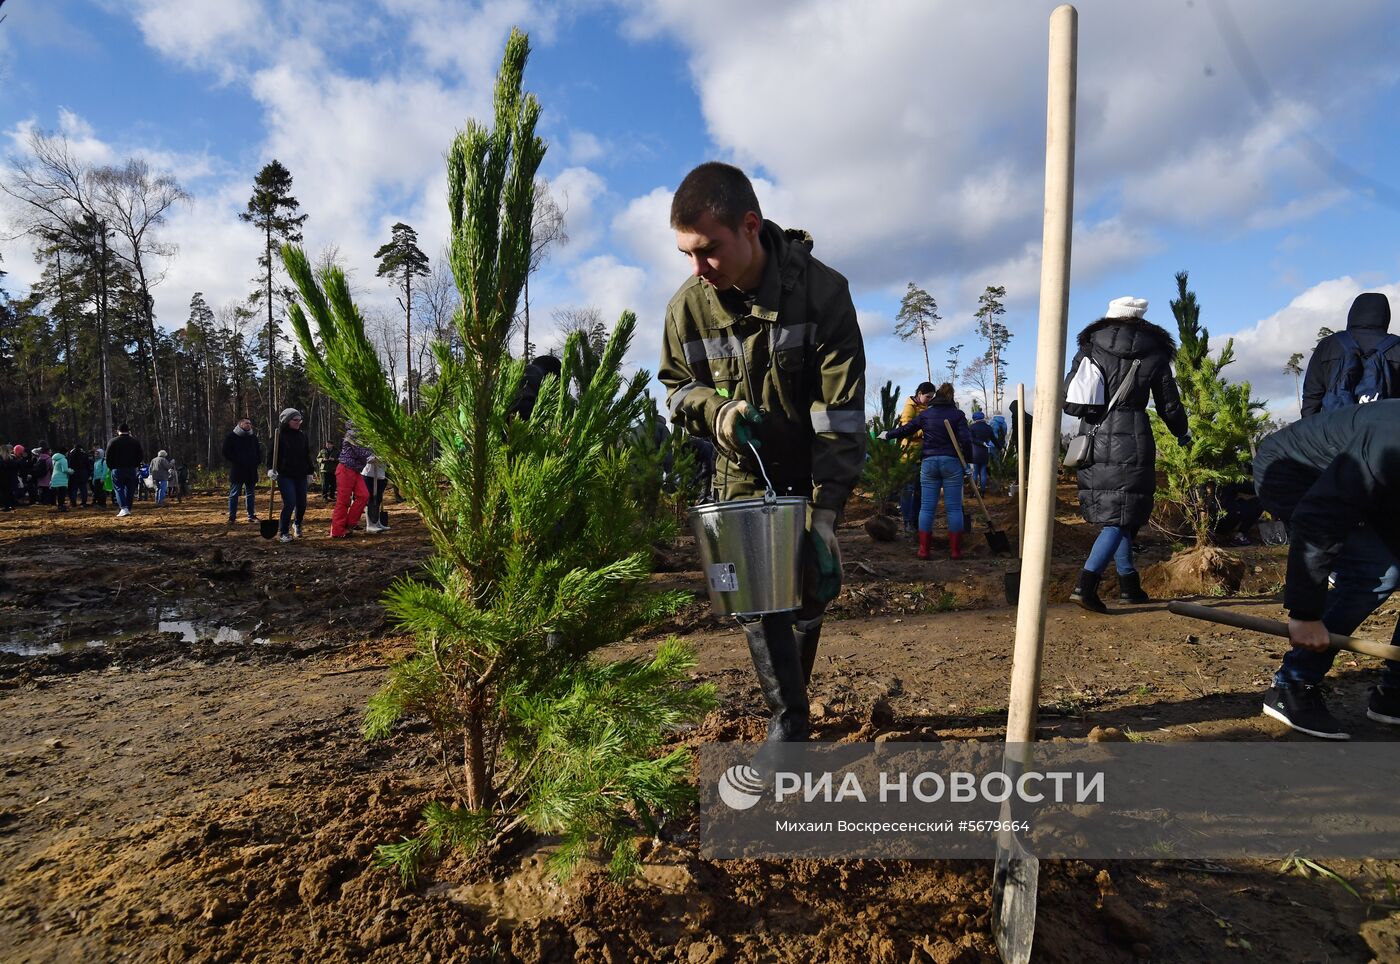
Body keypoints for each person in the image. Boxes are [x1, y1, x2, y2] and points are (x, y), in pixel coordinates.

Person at [658, 161, 866, 746]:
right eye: (687, 255)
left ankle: (794, 700)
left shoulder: (824, 293)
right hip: (742, 470)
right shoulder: (687, 309)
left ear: (750, 226)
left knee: (807, 588)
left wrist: (825, 516)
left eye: (709, 251)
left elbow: (840, 414)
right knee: (759, 596)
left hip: (808, 466)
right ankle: (789, 720)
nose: (698, 269)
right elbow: (677, 387)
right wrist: (716, 413)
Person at [1254, 400, 1400, 739]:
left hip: (1370, 483)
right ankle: (1292, 684)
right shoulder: (1392, 438)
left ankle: (1393, 694)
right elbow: (1319, 516)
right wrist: (1305, 614)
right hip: (1294, 472)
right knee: (1376, 573)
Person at [1063, 296, 1189, 613]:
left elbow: (1070, 394)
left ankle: (1129, 585)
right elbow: (1168, 404)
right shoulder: (1156, 353)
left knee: (1121, 516)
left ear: (1110, 317)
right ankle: (1085, 585)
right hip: (1134, 436)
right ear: (1141, 320)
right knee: (1121, 517)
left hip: (1095, 433)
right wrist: (1182, 432)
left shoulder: (1091, 348)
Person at [882, 383, 972, 560]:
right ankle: (955, 551)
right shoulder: (958, 415)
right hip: (952, 463)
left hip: (929, 463)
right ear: (951, 398)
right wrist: (968, 461)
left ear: (936, 396)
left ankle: (924, 550)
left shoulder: (926, 414)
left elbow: (906, 429)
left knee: (927, 507)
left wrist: (888, 435)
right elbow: (966, 440)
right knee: (954, 508)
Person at [1300, 293, 1399, 416]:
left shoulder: (1328, 345)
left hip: (1336, 430)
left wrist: (1311, 432)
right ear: (1386, 315)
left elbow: (1312, 396)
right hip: (1384, 430)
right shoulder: (1397, 346)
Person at [267, 408, 312, 542]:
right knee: (290, 502)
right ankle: (283, 532)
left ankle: (297, 524)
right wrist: (270, 469)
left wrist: (310, 471)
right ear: (287, 421)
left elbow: (307, 455)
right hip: (285, 474)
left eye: (300, 420)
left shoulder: (302, 436)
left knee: (302, 503)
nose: (298, 422)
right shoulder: (278, 435)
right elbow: (270, 455)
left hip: (301, 474)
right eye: (295, 420)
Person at [897, 382, 934, 534]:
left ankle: (916, 521)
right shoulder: (910, 407)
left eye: (932, 397)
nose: (929, 399)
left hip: (923, 455)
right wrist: (924, 432)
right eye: (927, 396)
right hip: (909, 456)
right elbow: (905, 430)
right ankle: (907, 522)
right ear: (919, 393)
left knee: (920, 490)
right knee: (908, 490)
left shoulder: (927, 408)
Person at [330, 423, 373, 539]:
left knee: (364, 495)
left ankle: (350, 524)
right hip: (345, 469)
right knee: (343, 501)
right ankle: (337, 530)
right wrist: (372, 455)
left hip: (355, 470)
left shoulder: (364, 434)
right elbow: (360, 450)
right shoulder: (351, 434)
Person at [222, 417, 262, 524]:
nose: (249, 425)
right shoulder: (231, 437)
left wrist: (256, 461)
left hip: (251, 470)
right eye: (246, 423)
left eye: (250, 423)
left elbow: (259, 451)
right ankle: (232, 517)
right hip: (238, 470)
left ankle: (251, 515)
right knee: (234, 494)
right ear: (240, 424)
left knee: (250, 494)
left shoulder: (253, 437)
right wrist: (236, 460)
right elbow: (225, 451)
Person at [105, 424, 143, 517]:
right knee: (130, 489)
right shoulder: (135, 442)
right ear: (128, 431)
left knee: (118, 488)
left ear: (118, 431)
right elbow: (140, 456)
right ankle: (128, 508)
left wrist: (111, 467)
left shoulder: (113, 442)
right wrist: (136, 465)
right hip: (131, 469)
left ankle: (123, 507)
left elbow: (108, 456)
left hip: (117, 468)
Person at [968, 410, 995, 493]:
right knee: (983, 472)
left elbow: (970, 439)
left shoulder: (971, 427)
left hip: (975, 452)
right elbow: (994, 439)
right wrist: (1000, 447)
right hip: (984, 453)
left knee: (975, 473)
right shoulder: (988, 427)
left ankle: (973, 492)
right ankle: (983, 492)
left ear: (974, 418)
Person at [66, 444, 92, 508]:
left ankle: (73, 502)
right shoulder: (84, 455)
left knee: (74, 489)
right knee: (83, 489)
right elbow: (88, 465)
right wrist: (89, 474)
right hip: (83, 473)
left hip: (74, 473)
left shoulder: (71, 455)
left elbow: (69, 464)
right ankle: (84, 502)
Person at [47, 446, 70, 512]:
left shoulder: (54, 459)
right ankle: (61, 505)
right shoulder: (63, 459)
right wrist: (71, 471)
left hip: (54, 477)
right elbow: (65, 470)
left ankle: (54, 505)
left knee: (55, 492)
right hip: (61, 478)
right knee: (62, 493)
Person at [0, 444, 17, 512]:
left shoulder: (2, 459)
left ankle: (7, 506)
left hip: (3, 478)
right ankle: (12, 505)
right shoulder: (11, 458)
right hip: (11, 478)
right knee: (9, 492)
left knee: (4, 493)